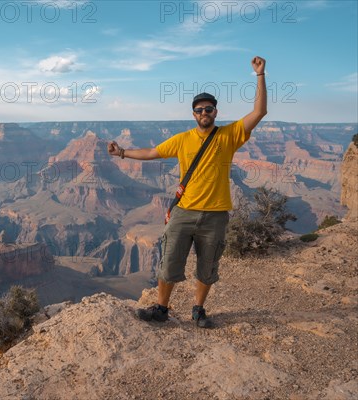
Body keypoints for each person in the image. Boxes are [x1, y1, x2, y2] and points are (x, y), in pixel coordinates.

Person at [107, 56, 267, 328]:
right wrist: (122, 152)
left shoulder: (229, 135)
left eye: (209, 109)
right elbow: (151, 152)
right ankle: (161, 309)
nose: (204, 113)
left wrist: (260, 76)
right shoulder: (182, 139)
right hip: (183, 212)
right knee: (169, 263)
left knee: (207, 268)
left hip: (215, 215)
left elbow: (259, 112)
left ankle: (199, 310)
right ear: (194, 114)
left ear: (216, 112)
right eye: (199, 110)